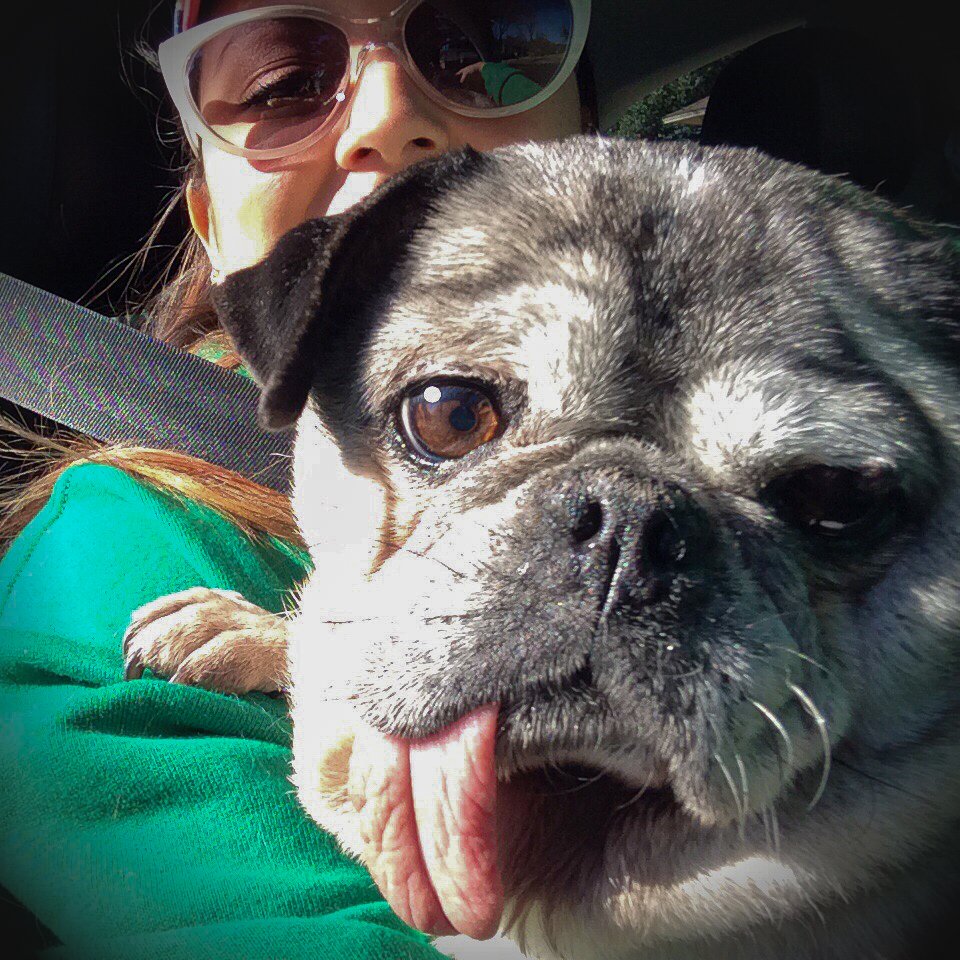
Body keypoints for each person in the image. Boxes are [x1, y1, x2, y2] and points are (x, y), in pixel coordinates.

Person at [0, 2, 596, 957]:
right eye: (284, 84)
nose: (388, 116)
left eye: (480, 48)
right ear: (210, 218)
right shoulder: (122, 543)